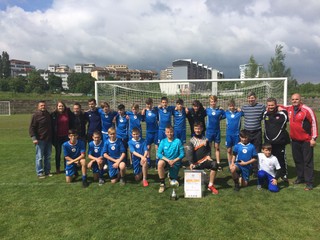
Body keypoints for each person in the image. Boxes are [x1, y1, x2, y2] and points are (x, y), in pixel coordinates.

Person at [281, 93, 318, 190]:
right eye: (293, 99)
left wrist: (313, 138)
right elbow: (279, 106)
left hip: (306, 140)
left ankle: (309, 182)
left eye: (296, 99)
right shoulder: (290, 109)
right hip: (294, 140)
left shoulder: (307, 110)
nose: (294, 101)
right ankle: (301, 177)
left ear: (300, 100)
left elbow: (314, 123)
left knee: (307, 162)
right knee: (298, 160)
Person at [186, 122, 219, 194]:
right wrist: (191, 163)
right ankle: (203, 176)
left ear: (202, 129)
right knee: (199, 184)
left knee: (214, 164)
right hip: (196, 164)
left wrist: (208, 156)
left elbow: (208, 150)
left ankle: (211, 185)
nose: (197, 130)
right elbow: (189, 153)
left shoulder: (206, 139)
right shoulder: (191, 140)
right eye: (196, 129)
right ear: (194, 129)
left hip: (204, 161)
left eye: (199, 128)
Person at [263, 97, 290, 182]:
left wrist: (282, 108)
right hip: (268, 141)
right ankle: (272, 172)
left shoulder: (282, 114)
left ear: (276, 105)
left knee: (280, 158)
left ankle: (283, 174)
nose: (271, 107)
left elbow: (288, 116)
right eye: (269, 105)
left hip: (279, 141)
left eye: (272, 105)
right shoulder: (265, 114)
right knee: (270, 157)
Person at [241, 91, 265, 175]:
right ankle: (248, 167)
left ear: (255, 98)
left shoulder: (261, 107)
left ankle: (255, 169)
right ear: (247, 99)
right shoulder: (244, 107)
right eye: (249, 98)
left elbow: (268, 111)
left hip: (257, 132)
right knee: (247, 150)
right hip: (247, 132)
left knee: (257, 150)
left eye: (252, 98)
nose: (251, 99)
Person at [157, 126, 185, 193]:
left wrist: (174, 160)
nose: (169, 133)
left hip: (175, 162)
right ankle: (162, 184)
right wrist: (168, 160)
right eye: (168, 132)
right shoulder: (163, 141)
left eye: (171, 132)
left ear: (173, 132)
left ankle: (170, 175)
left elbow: (182, 154)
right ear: (165, 133)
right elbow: (159, 154)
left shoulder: (178, 141)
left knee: (173, 180)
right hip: (166, 161)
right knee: (160, 163)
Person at [29, 100, 53, 178]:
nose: (43, 107)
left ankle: (47, 171)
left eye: (44, 105)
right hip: (40, 140)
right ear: (38, 107)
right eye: (41, 105)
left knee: (48, 157)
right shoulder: (35, 115)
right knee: (39, 157)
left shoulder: (48, 114)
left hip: (48, 139)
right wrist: (34, 138)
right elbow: (32, 127)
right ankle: (40, 173)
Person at [51, 101, 74, 174]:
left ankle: (66, 167)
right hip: (58, 137)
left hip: (66, 137)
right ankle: (58, 168)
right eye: (59, 106)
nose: (61, 107)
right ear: (57, 107)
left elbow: (72, 121)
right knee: (58, 153)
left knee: (66, 153)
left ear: (64, 107)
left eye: (62, 106)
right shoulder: (53, 115)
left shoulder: (68, 113)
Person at [205, 95, 225, 170]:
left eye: (214, 101)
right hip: (209, 131)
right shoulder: (207, 110)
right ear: (210, 102)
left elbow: (225, 115)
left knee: (217, 147)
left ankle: (218, 163)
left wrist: (220, 117)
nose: (213, 103)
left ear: (216, 102)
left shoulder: (219, 110)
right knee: (208, 148)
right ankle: (209, 163)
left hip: (217, 131)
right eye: (211, 101)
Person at [141, 98, 159, 168]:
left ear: (152, 103)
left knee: (157, 147)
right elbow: (142, 120)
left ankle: (157, 161)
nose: (149, 105)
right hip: (149, 132)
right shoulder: (145, 111)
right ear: (146, 104)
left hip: (156, 131)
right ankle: (148, 161)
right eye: (147, 104)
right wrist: (142, 113)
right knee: (148, 147)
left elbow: (158, 118)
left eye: (150, 103)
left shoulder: (155, 110)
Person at [225, 99, 243, 165]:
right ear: (228, 106)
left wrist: (241, 109)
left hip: (237, 134)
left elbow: (245, 112)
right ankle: (230, 163)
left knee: (236, 150)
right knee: (229, 150)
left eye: (232, 106)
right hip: (228, 135)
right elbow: (220, 115)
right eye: (230, 106)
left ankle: (235, 162)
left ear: (234, 106)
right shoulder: (226, 113)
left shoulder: (239, 113)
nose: (231, 107)